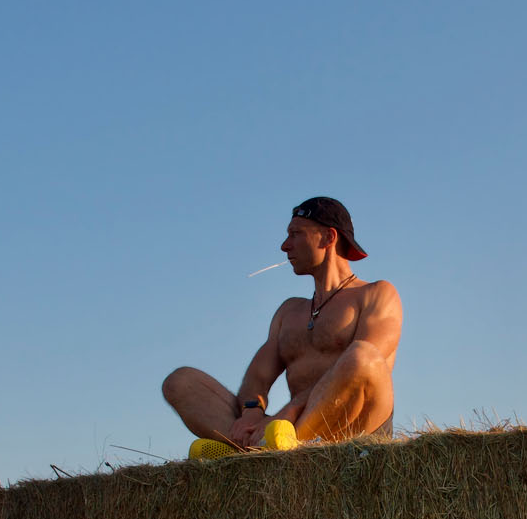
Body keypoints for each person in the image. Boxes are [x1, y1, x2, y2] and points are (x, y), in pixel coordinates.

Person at [162, 197, 402, 459]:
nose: (284, 246)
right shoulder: (289, 311)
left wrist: (287, 413)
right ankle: (254, 449)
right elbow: (257, 379)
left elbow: (368, 365)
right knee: (180, 382)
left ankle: (264, 452)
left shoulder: (377, 294)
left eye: (295, 234)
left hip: (356, 431)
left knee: (361, 356)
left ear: (328, 238)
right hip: (282, 431)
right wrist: (251, 412)